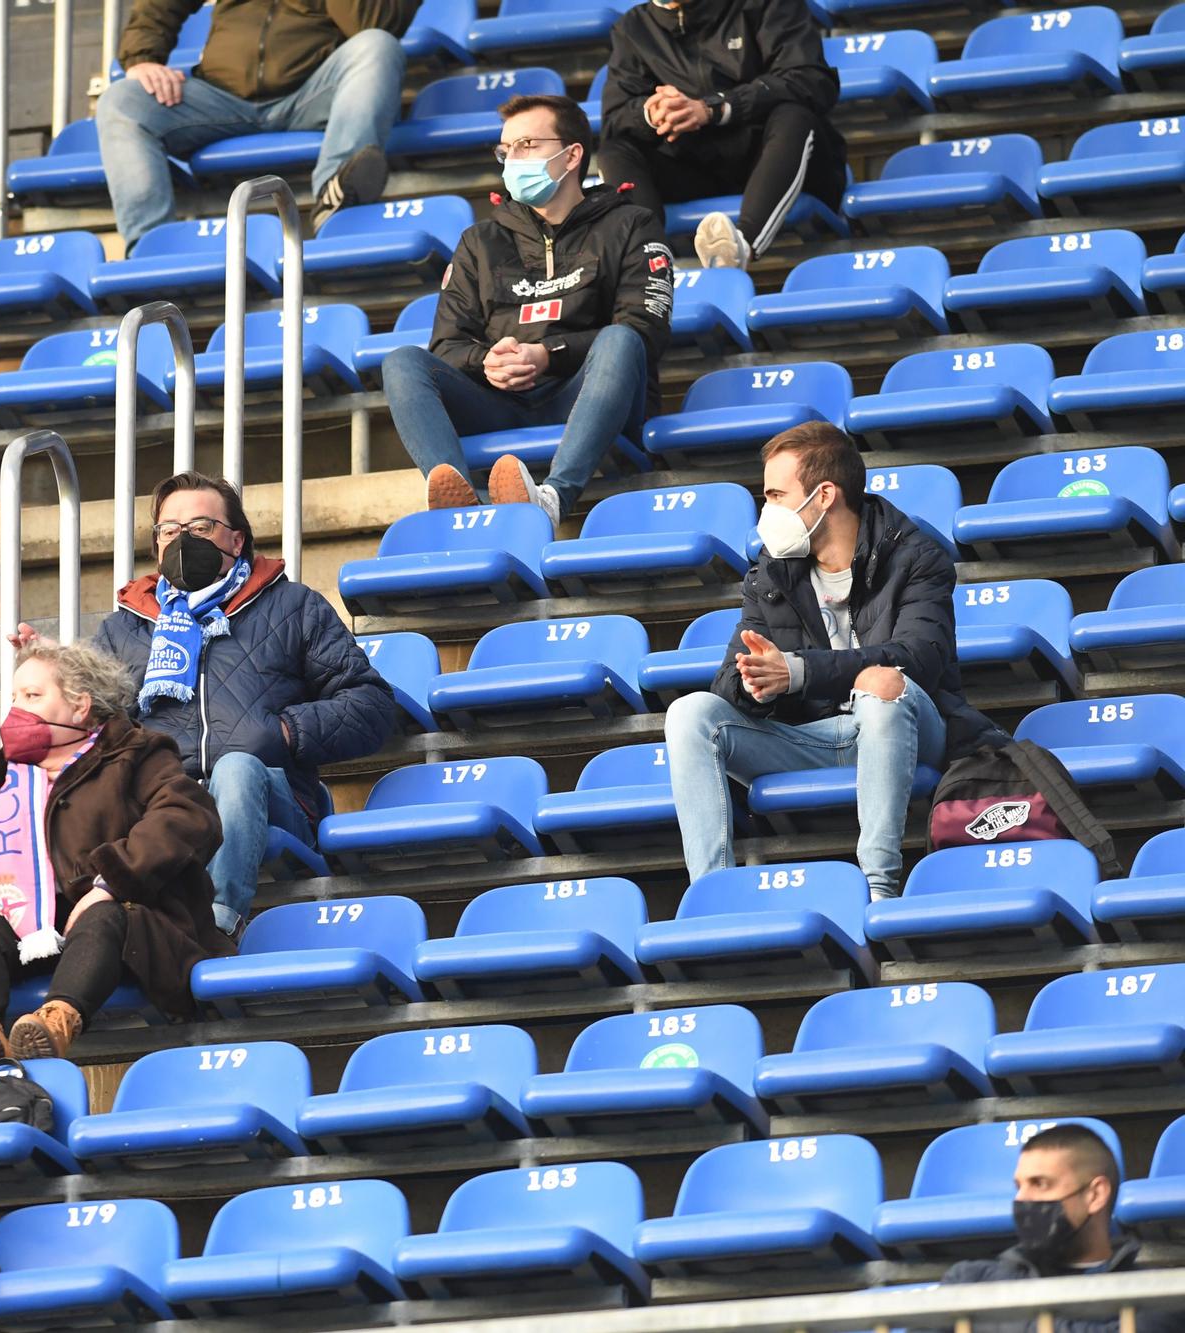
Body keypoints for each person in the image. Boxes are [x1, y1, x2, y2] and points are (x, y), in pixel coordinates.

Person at [13, 472, 395, 937]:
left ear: (236, 539)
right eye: (169, 531)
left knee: (237, 766)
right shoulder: (124, 630)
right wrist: (55, 671)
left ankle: (216, 926)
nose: (182, 540)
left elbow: (372, 705)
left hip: (271, 796)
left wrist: (283, 732)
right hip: (164, 805)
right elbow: (94, 732)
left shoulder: (293, 607)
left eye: (200, 528)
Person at [665, 422, 1001, 902]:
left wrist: (796, 672)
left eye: (776, 495)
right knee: (690, 713)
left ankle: (879, 888)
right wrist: (756, 684)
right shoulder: (769, 572)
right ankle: (713, 895)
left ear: (823, 494)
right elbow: (728, 680)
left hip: (908, 727)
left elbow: (919, 659)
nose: (767, 512)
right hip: (815, 736)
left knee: (881, 682)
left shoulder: (917, 557)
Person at [0, 641, 230, 1060]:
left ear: (80, 706)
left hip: (118, 928)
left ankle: (54, 1023)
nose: (16, 709)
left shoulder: (137, 754)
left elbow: (186, 814)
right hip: (13, 930)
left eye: (33, 696)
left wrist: (112, 881)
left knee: (103, 914)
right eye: (14, 697)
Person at [381, 92, 672, 521]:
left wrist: (547, 355)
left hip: (589, 399)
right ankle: (461, 507)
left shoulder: (631, 224)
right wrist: (487, 361)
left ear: (572, 155)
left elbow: (645, 331)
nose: (512, 159)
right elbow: (447, 345)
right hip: (498, 402)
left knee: (620, 338)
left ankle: (553, 498)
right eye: (505, 149)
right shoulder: (480, 242)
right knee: (403, 362)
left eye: (527, 146)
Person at [96, 0, 412, 245]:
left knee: (378, 46)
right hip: (220, 97)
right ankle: (152, 247)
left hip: (312, 92)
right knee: (122, 101)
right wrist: (143, 58)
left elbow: (375, 23)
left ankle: (336, 196)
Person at [594, 0, 844, 272]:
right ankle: (649, 266)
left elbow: (810, 80)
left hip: (778, 157)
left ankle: (740, 247)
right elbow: (615, 116)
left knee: (794, 115)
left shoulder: (767, 5)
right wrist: (653, 114)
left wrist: (714, 108)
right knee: (616, 148)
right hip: (697, 165)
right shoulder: (634, 27)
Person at [934, 1123, 1185, 1333]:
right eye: (1019, 1186)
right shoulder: (970, 1279)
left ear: (1095, 1194)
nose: (1022, 1199)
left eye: (1040, 1184)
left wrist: (989, 1320)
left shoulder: (1157, 1295)